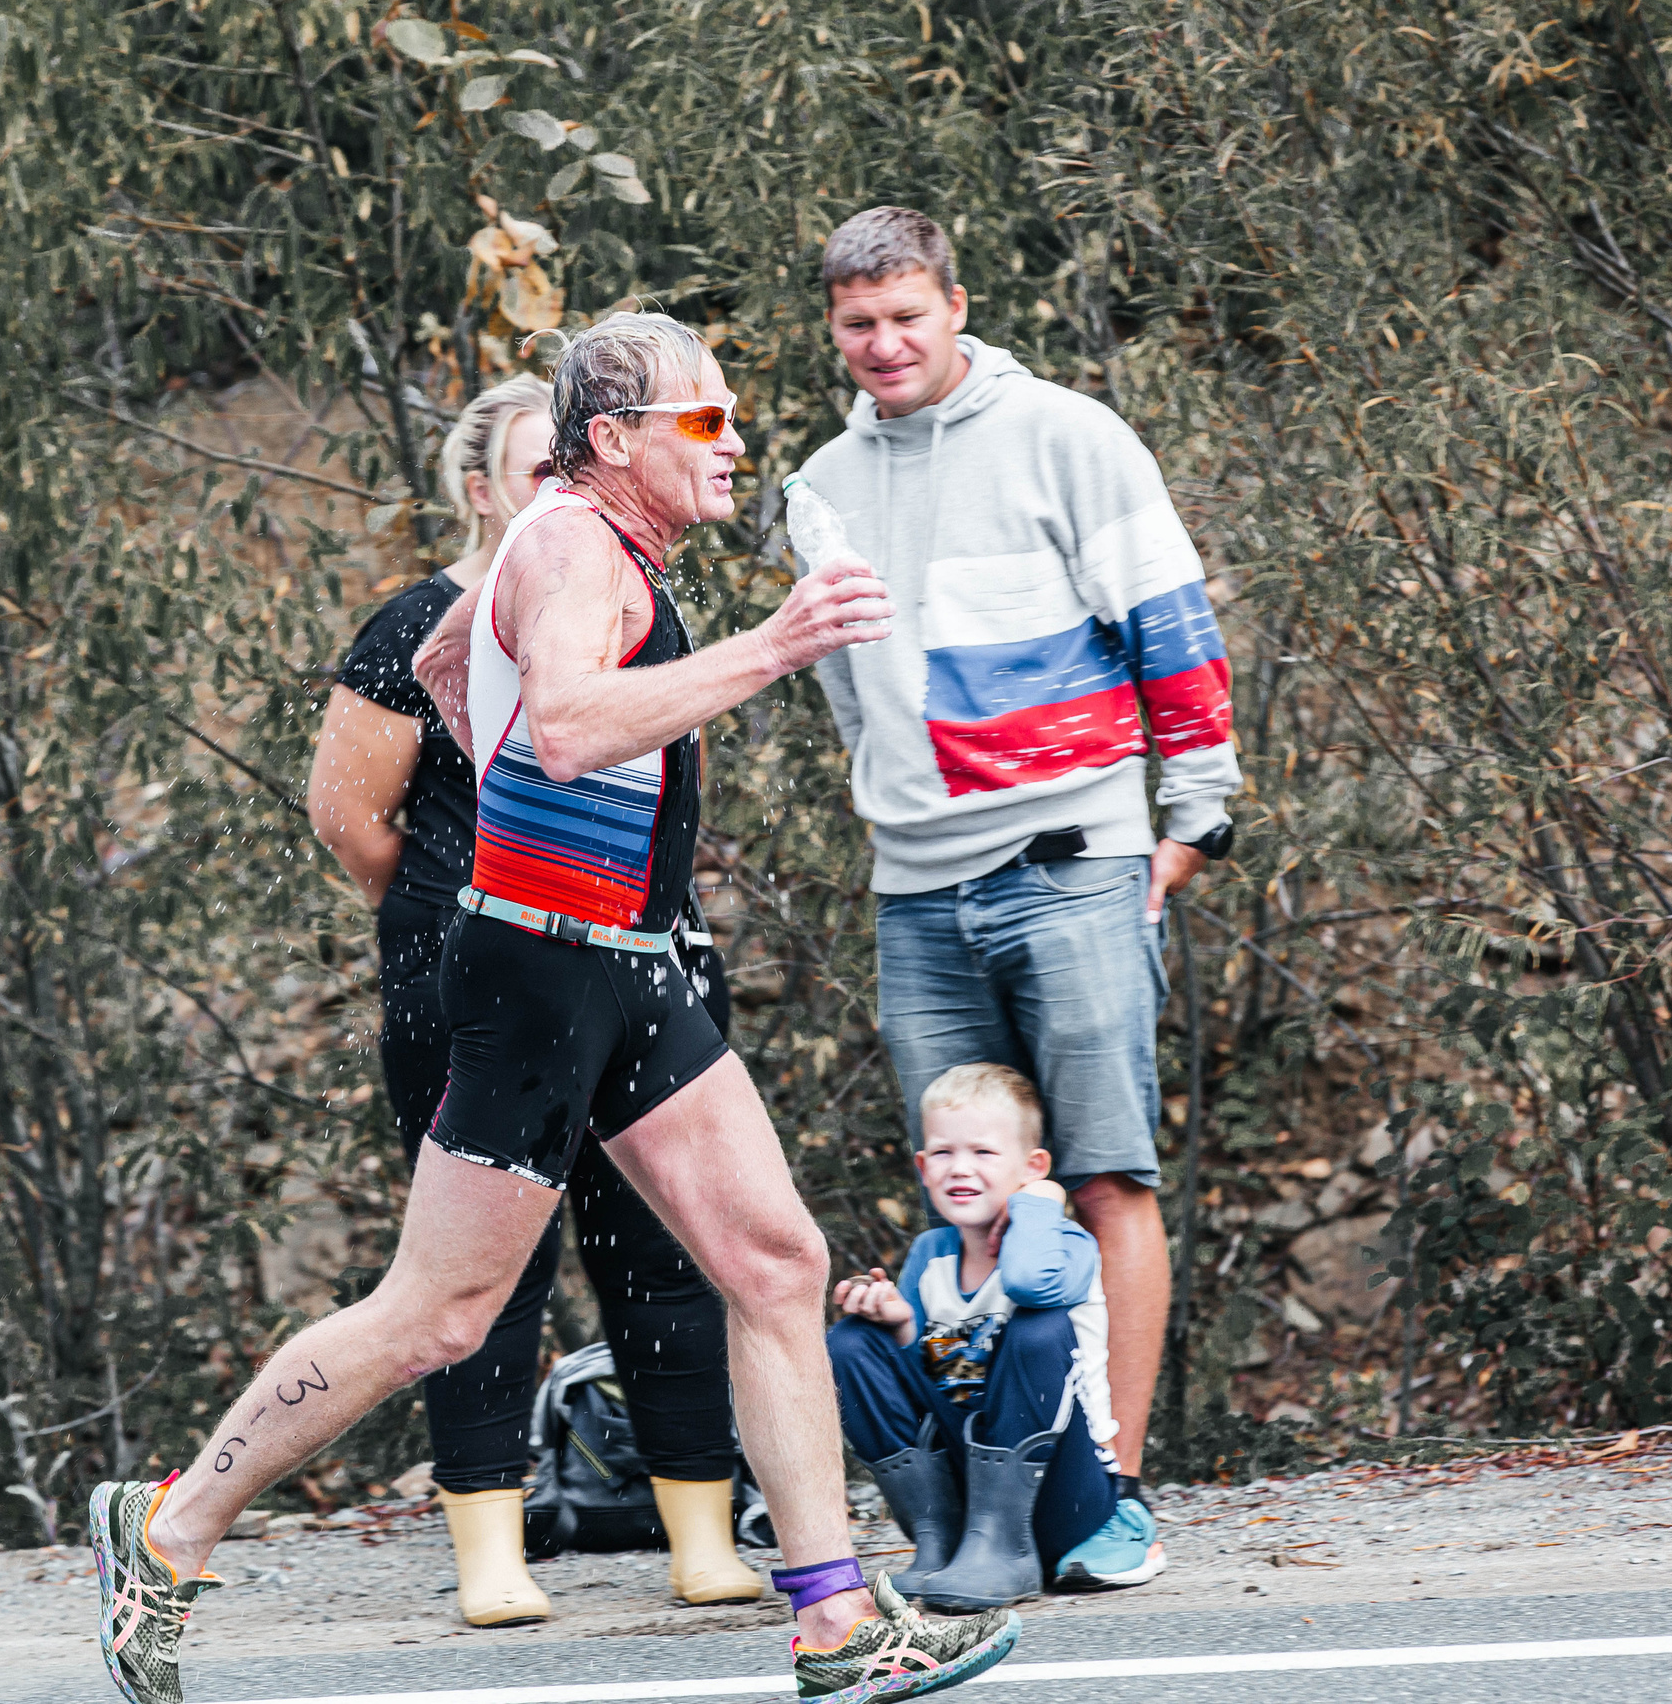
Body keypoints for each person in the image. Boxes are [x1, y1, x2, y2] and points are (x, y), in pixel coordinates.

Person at [89, 311, 1021, 1704]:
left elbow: (460, 665)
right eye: (702, 421)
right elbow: (573, 723)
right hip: (538, 977)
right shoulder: (581, 544)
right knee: (439, 1313)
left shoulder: (560, 538)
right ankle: (164, 1529)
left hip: (619, 959)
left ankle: (836, 1621)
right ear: (614, 439)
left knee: (773, 1260)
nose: (732, 444)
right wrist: (777, 644)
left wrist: (536, 823)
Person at [792, 206, 1242, 1585]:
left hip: (1073, 862)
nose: (884, 344)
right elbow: (840, 686)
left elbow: (1170, 622)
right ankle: (995, 1502)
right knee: (968, 1195)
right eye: (858, 324)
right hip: (916, 889)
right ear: (834, 329)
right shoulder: (815, 482)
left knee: (1102, 1171)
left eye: (906, 317)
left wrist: (1191, 822)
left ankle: (1111, 1489)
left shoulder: (1069, 435)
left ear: (955, 305)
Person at [306, 373, 760, 1626]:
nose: (548, 494)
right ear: (477, 491)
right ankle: (491, 1555)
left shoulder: (630, 597)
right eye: (525, 470)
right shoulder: (417, 625)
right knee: (477, 1275)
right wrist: (464, 913)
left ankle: (701, 1536)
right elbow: (348, 819)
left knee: (667, 1253)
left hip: (637, 959)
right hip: (482, 980)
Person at [829, 1064, 1150, 1608]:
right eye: (944, 1153)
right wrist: (901, 1325)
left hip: (1068, 1495)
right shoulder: (931, 1257)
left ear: (1032, 1168)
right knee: (852, 1342)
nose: (961, 1168)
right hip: (968, 1507)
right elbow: (933, 1388)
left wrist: (1041, 1201)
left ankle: (1005, 1553)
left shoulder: (1064, 1247)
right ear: (923, 1167)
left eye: (983, 1152)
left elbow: (1029, 1282)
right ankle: (942, 1544)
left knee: (1039, 1325)